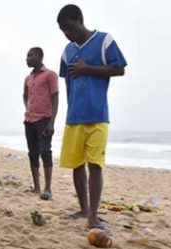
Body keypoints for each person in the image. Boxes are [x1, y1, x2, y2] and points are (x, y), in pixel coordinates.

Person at [57, 4, 127, 229]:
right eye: (63, 31)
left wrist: (89, 69)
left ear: (79, 20)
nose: (67, 34)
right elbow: (68, 83)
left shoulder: (104, 41)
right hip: (74, 116)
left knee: (95, 165)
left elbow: (120, 69)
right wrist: (68, 111)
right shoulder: (67, 51)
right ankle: (83, 209)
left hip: (97, 115)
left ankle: (93, 216)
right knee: (76, 165)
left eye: (69, 28)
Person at [23, 47, 59, 200]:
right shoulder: (28, 78)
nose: (27, 59)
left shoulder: (50, 75)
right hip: (29, 120)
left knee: (45, 151)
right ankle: (36, 187)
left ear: (38, 57)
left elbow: (55, 97)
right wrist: (28, 109)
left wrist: (52, 122)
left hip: (44, 120)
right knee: (32, 153)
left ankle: (47, 188)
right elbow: (25, 96)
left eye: (30, 56)